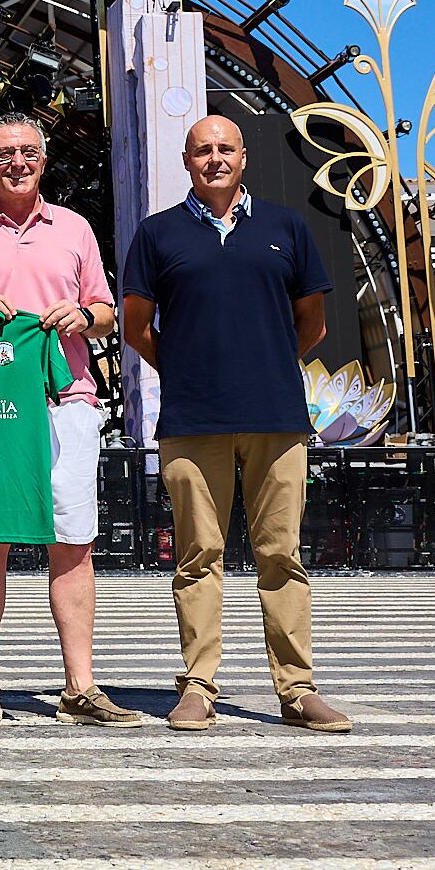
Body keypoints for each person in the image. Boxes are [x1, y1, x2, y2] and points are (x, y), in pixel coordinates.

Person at [120, 114, 351, 733]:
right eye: (202, 150)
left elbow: (313, 324)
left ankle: (297, 690)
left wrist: (265, 364)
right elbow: (137, 325)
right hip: (192, 420)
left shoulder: (285, 227)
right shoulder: (157, 234)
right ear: (187, 161)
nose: (214, 158)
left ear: (243, 157)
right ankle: (198, 686)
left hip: (276, 415)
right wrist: (191, 369)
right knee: (199, 556)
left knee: (282, 555)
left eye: (225, 148)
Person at [0, 113, 140, 729]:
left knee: (73, 545)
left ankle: (80, 684)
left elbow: (107, 313)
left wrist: (83, 316)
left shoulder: (74, 229)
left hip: (66, 399)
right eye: (4, 154)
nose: (17, 163)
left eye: (28, 153)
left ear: (43, 162)